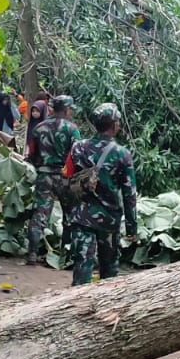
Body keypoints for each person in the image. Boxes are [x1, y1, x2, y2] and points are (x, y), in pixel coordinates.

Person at [63, 103, 138, 285]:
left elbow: (66, 177)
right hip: (109, 221)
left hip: (81, 217)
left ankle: (77, 307)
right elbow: (129, 194)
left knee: (82, 267)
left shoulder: (78, 148)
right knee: (109, 272)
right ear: (114, 125)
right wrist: (131, 228)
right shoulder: (122, 154)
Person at [25, 95, 79, 266]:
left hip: (44, 175)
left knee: (39, 214)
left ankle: (32, 252)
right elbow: (77, 155)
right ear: (66, 109)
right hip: (65, 177)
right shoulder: (72, 129)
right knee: (69, 216)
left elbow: (31, 153)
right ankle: (67, 252)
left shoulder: (39, 128)